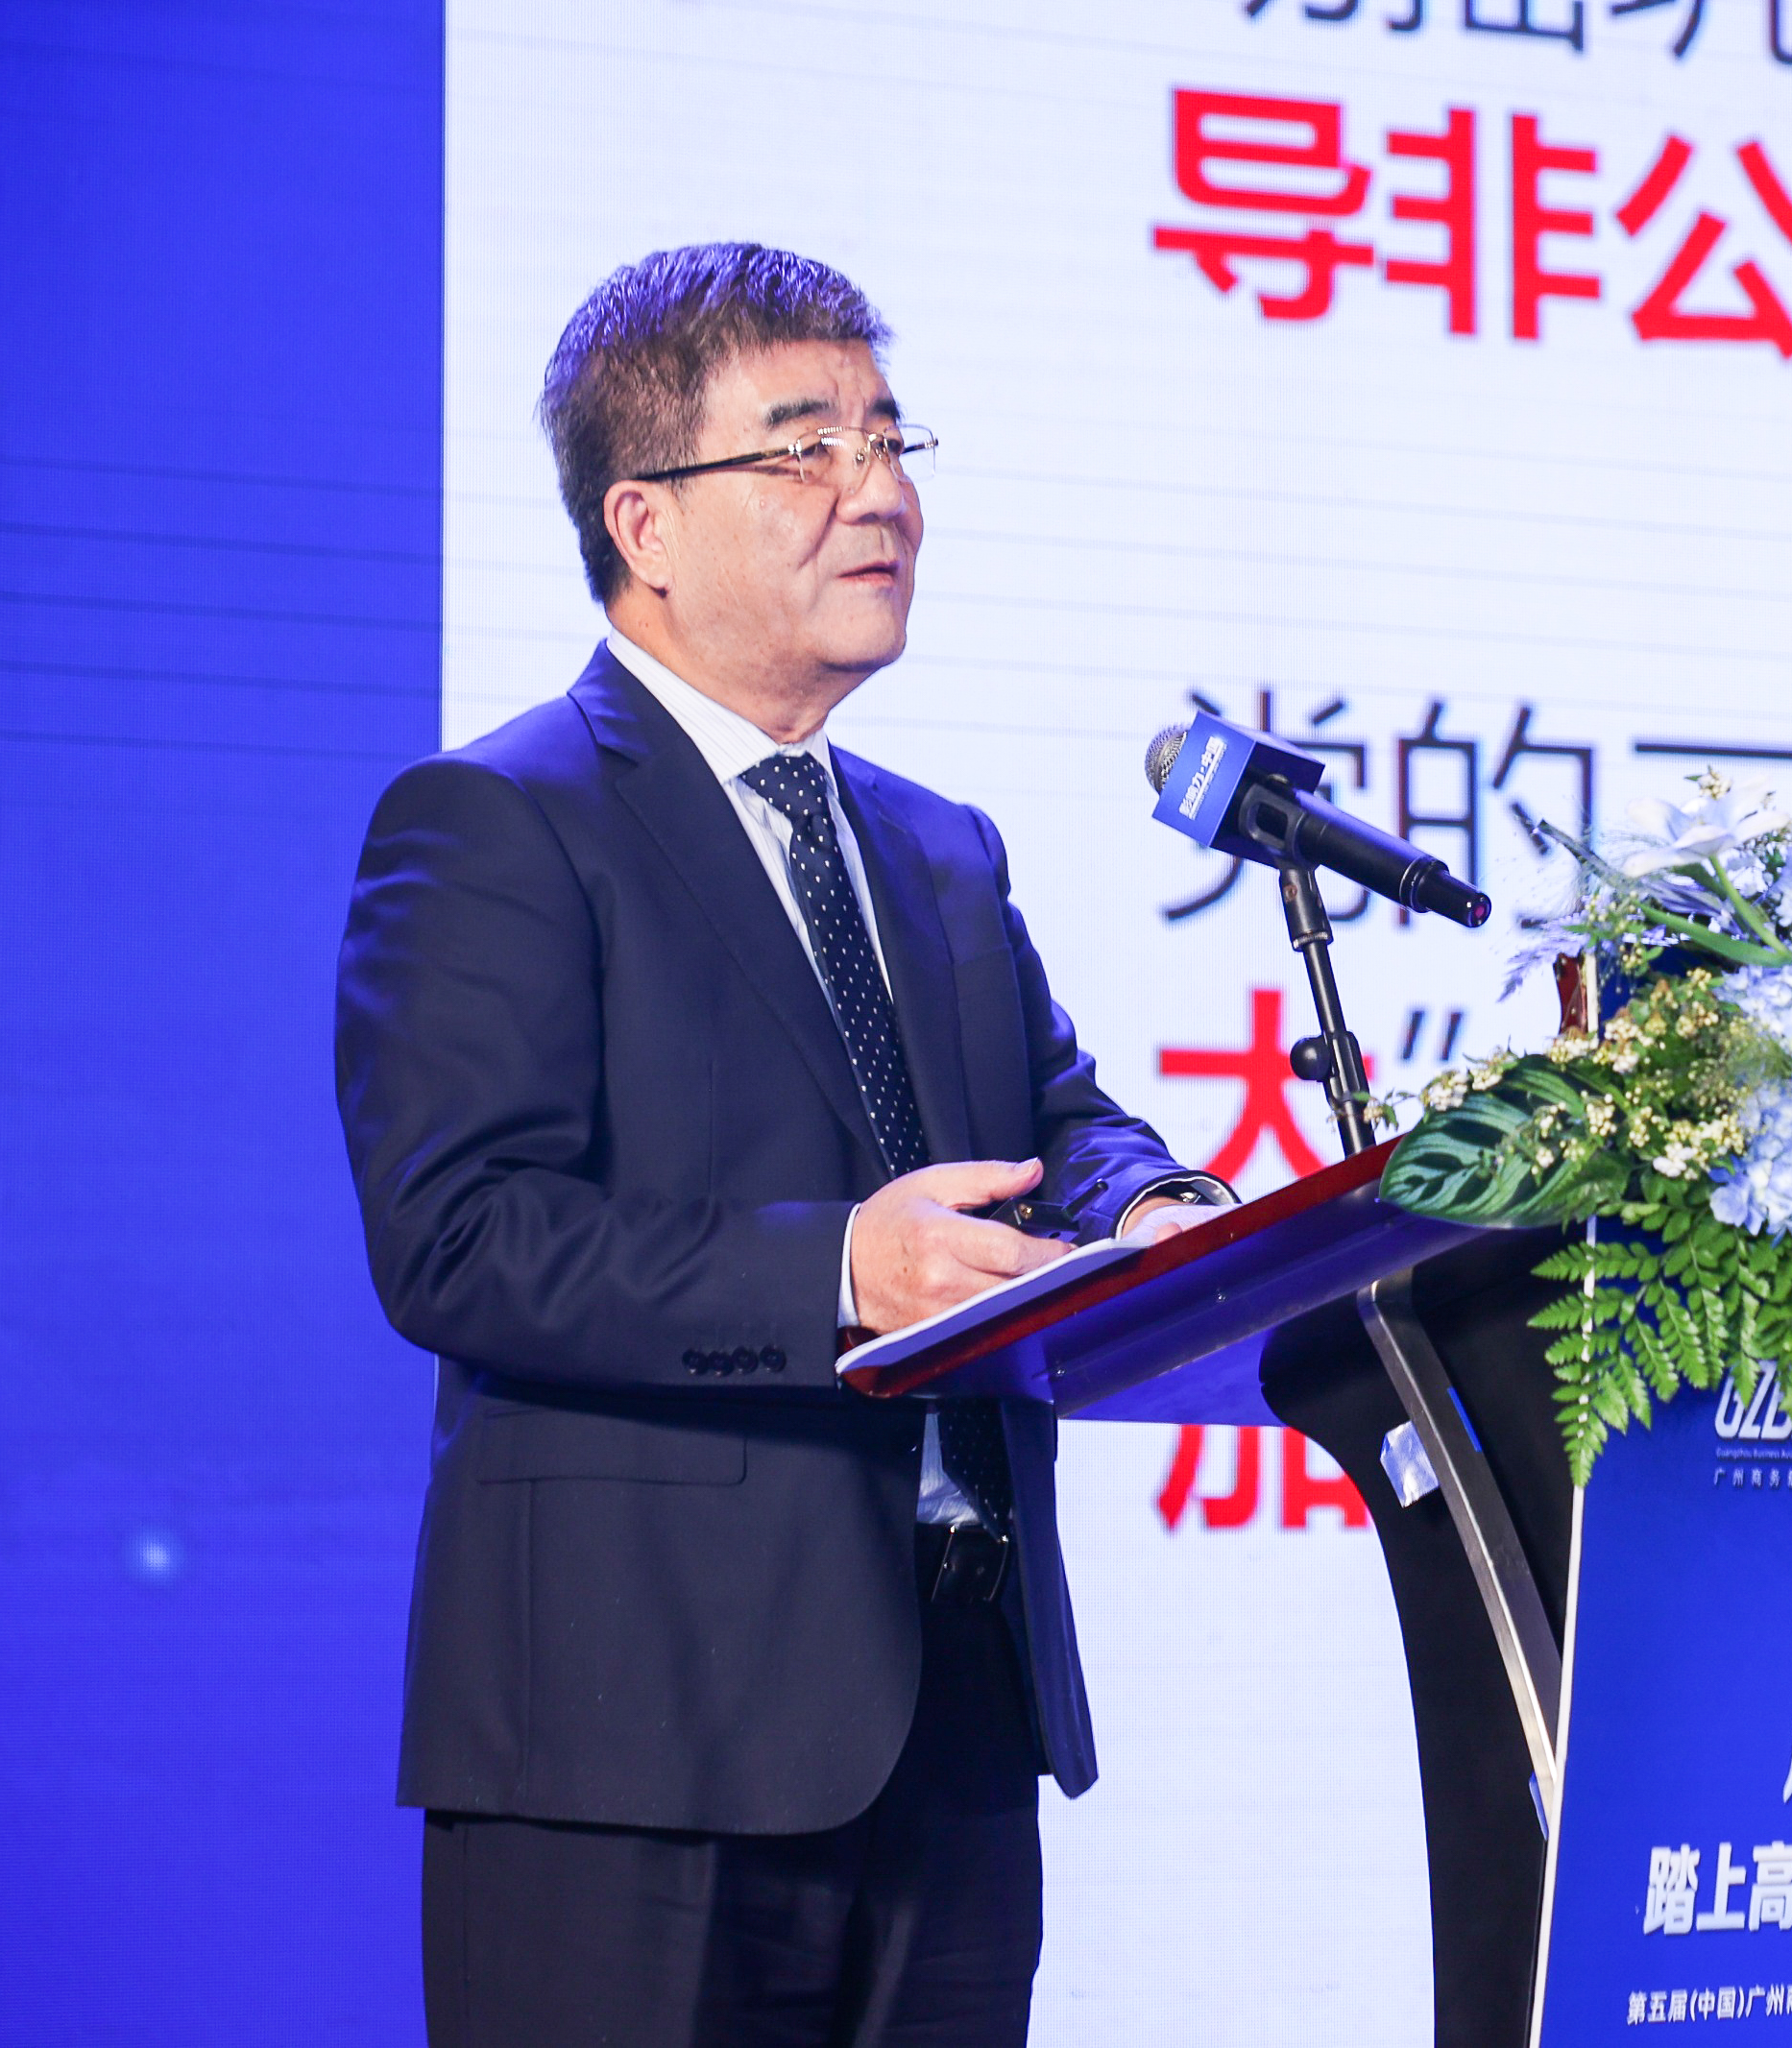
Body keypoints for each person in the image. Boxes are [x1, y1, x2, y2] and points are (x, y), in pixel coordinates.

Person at [336, 243, 1227, 2048]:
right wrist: (838, 1270)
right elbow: (461, 1235)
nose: (877, 491)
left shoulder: (938, 843)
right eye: (805, 446)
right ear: (644, 523)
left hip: (953, 1718)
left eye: (891, 440)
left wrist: (1163, 1208)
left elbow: (1055, 1113)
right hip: (635, 1743)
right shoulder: (498, 818)